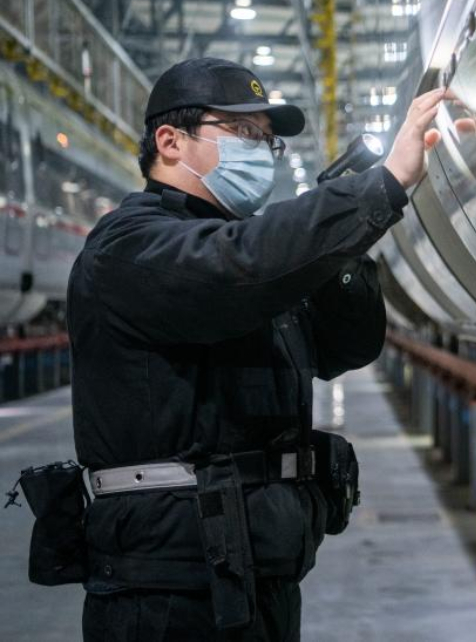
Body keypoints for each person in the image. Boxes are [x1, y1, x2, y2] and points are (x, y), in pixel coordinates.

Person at [68, 57, 443, 640]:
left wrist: (341, 250)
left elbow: (344, 347)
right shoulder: (130, 245)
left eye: (267, 140)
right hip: (167, 587)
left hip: (255, 568)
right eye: (243, 130)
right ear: (170, 141)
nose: (261, 150)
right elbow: (235, 266)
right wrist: (380, 187)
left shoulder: (252, 264)